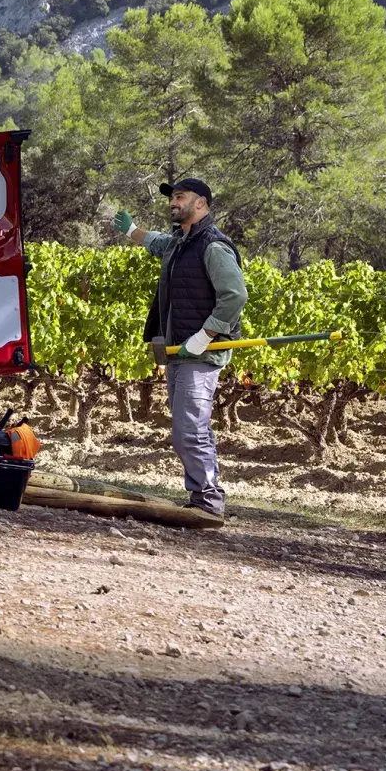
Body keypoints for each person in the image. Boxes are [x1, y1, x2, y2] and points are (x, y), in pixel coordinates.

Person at [115, 177, 248, 519]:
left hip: (201, 354)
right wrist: (132, 232)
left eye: (179, 196)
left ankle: (208, 500)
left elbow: (235, 297)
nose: (173, 202)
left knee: (190, 429)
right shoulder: (179, 242)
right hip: (179, 352)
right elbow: (157, 242)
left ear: (201, 203)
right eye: (172, 197)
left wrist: (205, 336)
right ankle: (202, 496)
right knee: (185, 429)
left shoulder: (213, 247)